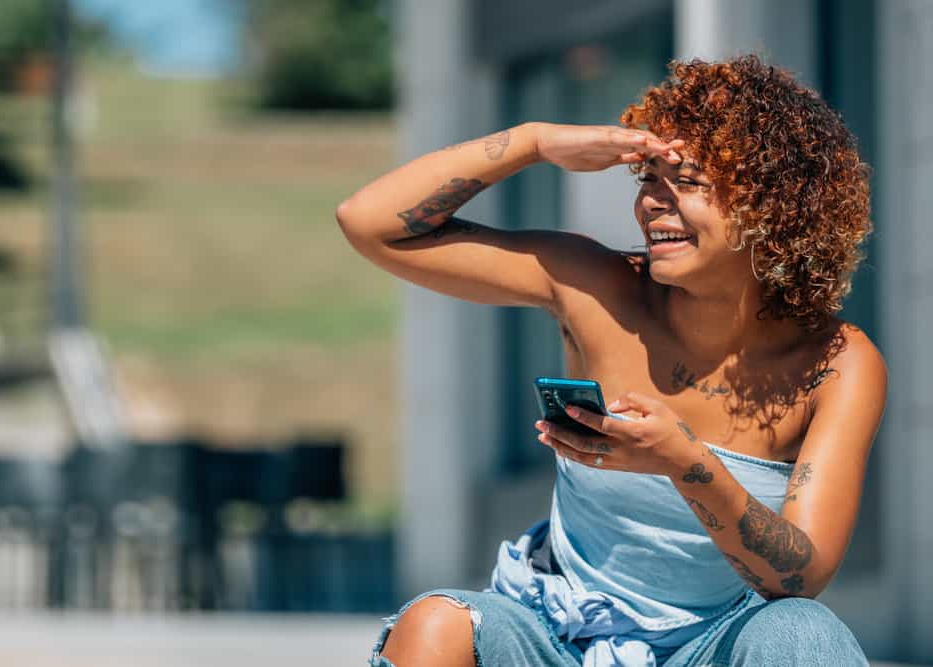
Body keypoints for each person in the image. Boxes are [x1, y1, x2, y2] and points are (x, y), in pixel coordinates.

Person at [336, 55, 883, 667]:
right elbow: (371, 224)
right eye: (647, 177)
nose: (653, 202)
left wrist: (684, 462)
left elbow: (800, 577)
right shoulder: (595, 288)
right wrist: (533, 142)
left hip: (717, 646)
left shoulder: (836, 362)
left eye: (689, 180)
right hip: (556, 638)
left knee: (802, 633)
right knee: (435, 625)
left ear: (772, 208)